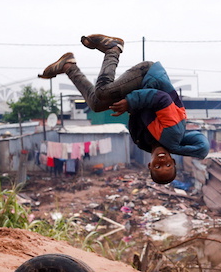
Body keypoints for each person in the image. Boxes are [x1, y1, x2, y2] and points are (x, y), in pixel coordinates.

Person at [38, 34, 209, 184]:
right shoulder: (172, 134)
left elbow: (138, 115)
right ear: (173, 161)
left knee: (97, 105)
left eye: (158, 166)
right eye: (168, 164)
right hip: (149, 76)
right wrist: (130, 102)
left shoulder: (143, 143)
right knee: (104, 92)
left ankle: (69, 66)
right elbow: (161, 98)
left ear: (150, 165)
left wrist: (130, 105)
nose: (162, 160)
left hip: (140, 91)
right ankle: (113, 48)